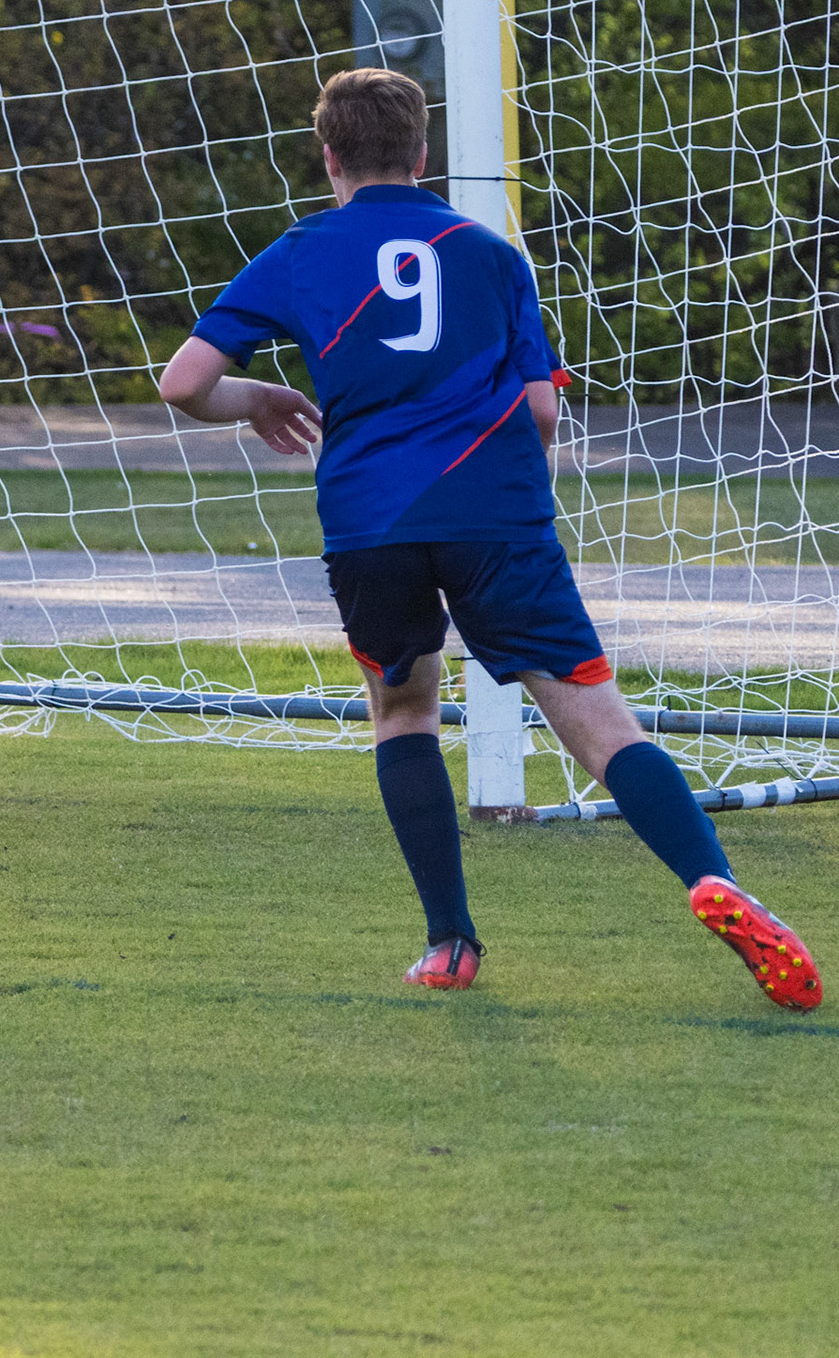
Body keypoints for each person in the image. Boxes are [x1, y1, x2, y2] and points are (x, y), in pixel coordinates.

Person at [157, 67, 821, 1009]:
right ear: (423, 153)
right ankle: (714, 878)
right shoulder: (492, 254)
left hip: (373, 523)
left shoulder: (299, 252)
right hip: (497, 516)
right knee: (600, 723)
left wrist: (260, 395)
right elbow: (543, 412)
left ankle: (449, 943)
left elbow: (183, 384)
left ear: (329, 156)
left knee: (404, 712)